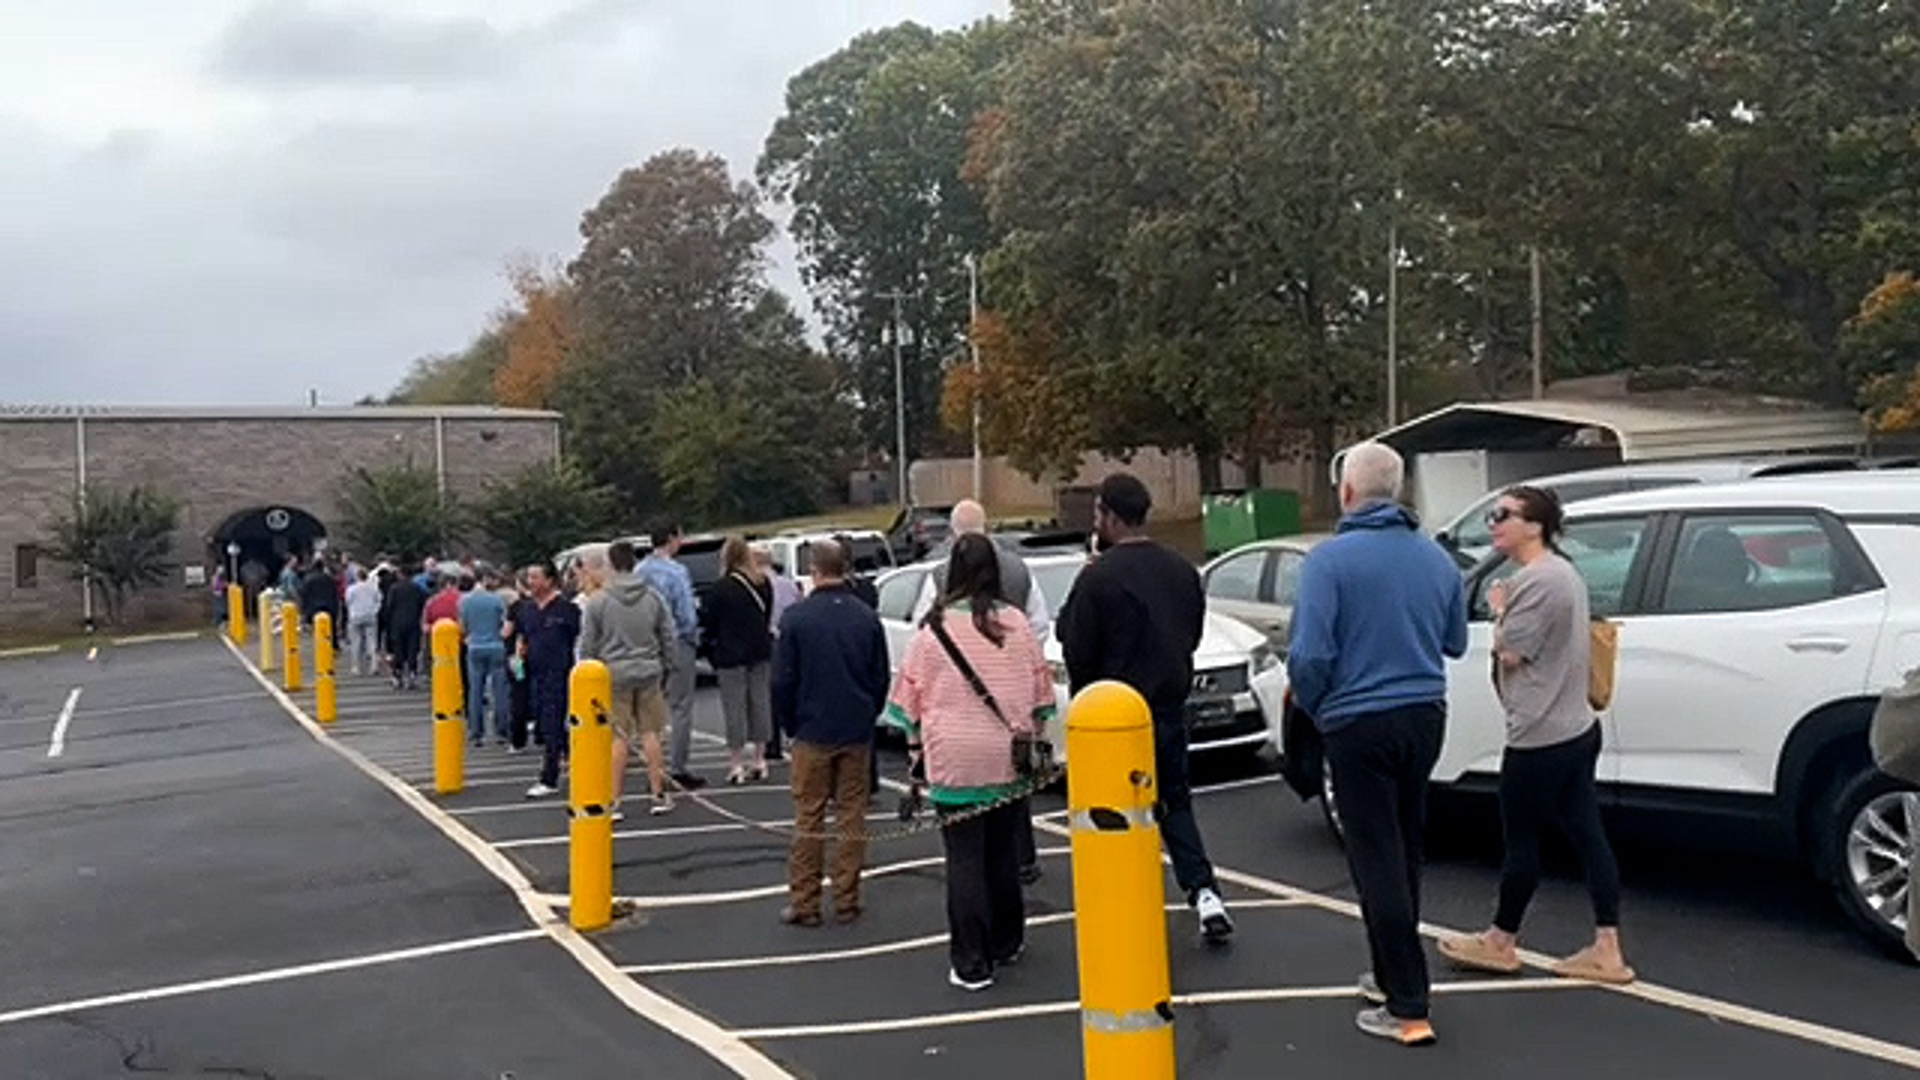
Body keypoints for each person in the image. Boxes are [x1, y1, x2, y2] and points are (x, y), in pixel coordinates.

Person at [1287, 441, 1466, 1047]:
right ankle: (1391, 973)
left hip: (1357, 720)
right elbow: (1456, 641)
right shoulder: (1436, 558)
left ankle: (1408, 1003)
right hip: (1425, 713)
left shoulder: (1328, 563)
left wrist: (1316, 707)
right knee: (1405, 847)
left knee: (1374, 859)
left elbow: (1310, 655)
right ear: (1399, 491)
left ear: (1347, 493)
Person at [1437, 486, 1633, 986]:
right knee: (1587, 833)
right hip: (1575, 727)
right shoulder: (1564, 572)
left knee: (1521, 840)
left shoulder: (1538, 580)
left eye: (1504, 516)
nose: (1494, 525)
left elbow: (1513, 654)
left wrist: (1500, 609)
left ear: (1535, 525)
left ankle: (1501, 940)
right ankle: (1607, 947)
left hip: (1540, 735)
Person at [1058, 473, 1232, 941]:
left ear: (1111, 517)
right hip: (1169, 708)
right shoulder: (1180, 570)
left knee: (1116, 814)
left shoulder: (1098, 578)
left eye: (1098, 513)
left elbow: (1073, 643)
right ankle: (1205, 893)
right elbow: (1192, 633)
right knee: (1175, 804)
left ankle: (1124, 904)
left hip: (1114, 719)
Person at [887, 534, 1054, 991]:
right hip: (1008, 755)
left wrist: (916, 762)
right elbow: (1042, 698)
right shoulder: (1016, 624)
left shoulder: (932, 632)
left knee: (964, 859)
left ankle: (972, 960)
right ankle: (1007, 939)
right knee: (1003, 852)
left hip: (954, 759)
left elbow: (906, 709)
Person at [912, 499, 1051, 884]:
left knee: (965, 854)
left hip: (955, 734)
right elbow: (1039, 626)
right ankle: (1024, 862)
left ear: (954, 534)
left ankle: (971, 941)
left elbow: (919, 649)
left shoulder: (938, 581)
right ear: (988, 529)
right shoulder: (1020, 575)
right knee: (1011, 805)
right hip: (1009, 716)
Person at [772, 538, 890, 927]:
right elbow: (879, 675)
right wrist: (868, 711)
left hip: (811, 727)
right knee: (851, 815)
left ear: (814, 571)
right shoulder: (865, 616)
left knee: (809, 815)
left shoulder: (796, 619)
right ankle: (847, 897)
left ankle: (805, 901)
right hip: (855, 727)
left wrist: (791, 723)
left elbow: (782, 681)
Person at [579, 541, 680, 818]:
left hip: (614, 673)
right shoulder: (652, 597)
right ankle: (658, 793)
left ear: (611, 564)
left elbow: (588, 642)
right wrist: (668, 665)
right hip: (648, 670)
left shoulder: (598, 601)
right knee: (652, 733)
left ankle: (614, 799)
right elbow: (668, 635)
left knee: (619, 738)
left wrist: (586, 672)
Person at [639, 523, 707, 791]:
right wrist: (694, 635)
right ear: (671, 539)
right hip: (677, 640)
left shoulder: (640, 571)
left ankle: (654, 768)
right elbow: (686, 613)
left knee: (650, 709)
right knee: (681, 707)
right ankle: (678, 766)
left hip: (647, 644)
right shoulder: (677, 572)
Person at [705, 537, 775, 785]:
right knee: (760, 703)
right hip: (759, 650)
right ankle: (760, 758)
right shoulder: (763, 583)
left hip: (730, 653)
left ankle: (736, 763)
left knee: (734, 708)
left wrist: (709, 649)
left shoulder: (720, 588)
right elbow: (766, 615)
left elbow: (710, 624)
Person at [519, 561, 583, 799]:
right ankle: (572, 764)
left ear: (549, 580)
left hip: (562, 673)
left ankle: (550, 776)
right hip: (536, 674)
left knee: (555, 724)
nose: (530, 582)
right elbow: (524, 637)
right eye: (528, 577)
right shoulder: (528, 609)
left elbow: (579, 639)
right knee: (547, 725)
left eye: (535, 577)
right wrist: (519, 655)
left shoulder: (567, 609)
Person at [459, 569, 512, 749]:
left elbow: (462, 626)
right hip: (496, 646)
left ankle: (476, 733)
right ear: (486, 579)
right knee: (499, 691)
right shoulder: (496, 600)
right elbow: (505, 624)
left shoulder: (465, 602)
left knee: (475, 691)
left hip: (474, 647)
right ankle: (501, 731)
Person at [383, 565, 427, 690]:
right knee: (412, 648)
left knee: (398, 649)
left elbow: (389, 607)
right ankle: (412, 673)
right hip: (413, 622)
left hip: (397, 623)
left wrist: (387, 623)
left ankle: (398, 674)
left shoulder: (394, 589)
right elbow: (422, 605)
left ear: (400, 574)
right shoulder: (417, 588)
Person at [344, 568, 382, 677]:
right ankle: (374, 666)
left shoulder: (351, 589)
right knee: (372, 640)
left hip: (355, 615)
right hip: (370, 615)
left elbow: (348, 601)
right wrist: (375, 610)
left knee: (356, 642)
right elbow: (379, 599)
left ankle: (356, 667)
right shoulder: (373, 588)